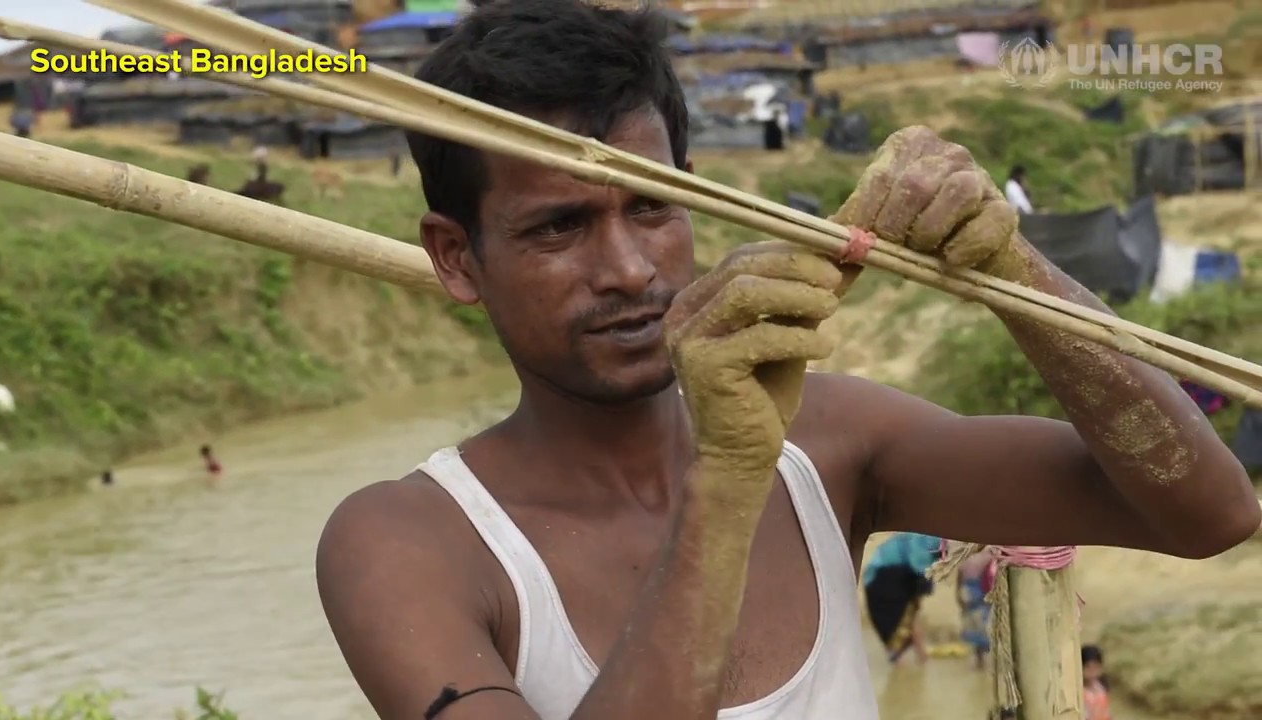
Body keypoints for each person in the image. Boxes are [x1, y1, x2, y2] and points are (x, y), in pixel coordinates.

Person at [313, 2, 1259, 719]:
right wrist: (727, 477)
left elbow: (1209, 513)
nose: (630, 268)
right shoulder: (408, 543)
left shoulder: (832, 442)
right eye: (558, 228)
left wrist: (1012, 266)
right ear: (455, 256)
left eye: (652, 207)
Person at [861, 532, 941, 665]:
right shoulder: (925, 541)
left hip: (900, 573)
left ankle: (920, 658)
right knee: (898, 621)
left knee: (911, 614)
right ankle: (906, 660)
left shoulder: (926, 539)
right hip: (885, 576)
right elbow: (918, 563)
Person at [956, 546, 996, 668]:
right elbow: (959, 575)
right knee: (976, 627)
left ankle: (984, 660)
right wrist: (958, 594)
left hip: (981, 592)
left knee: (984, 626)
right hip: (972, 592)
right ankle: (981, 660)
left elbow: (992, 574)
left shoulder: (989, 554)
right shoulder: (966, 554)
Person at [1082, 644, 1113, 720]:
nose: (1092, 671)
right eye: (1088, 667)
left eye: (1096, 667)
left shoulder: (1101, 687)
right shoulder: (1080, 693)